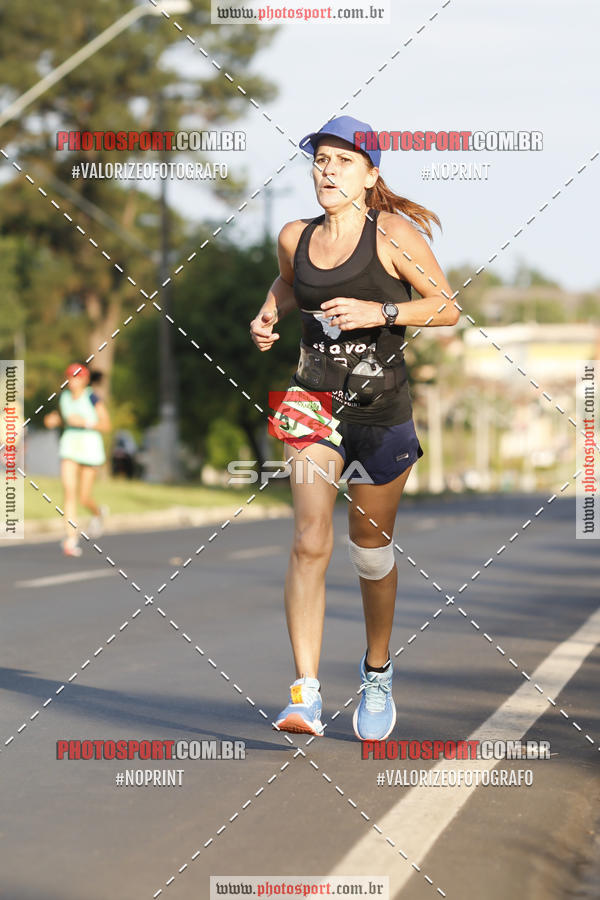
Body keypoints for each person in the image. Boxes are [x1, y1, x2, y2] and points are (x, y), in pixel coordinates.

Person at [250, 115, 459, 741]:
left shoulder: (394, 235)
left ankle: (375, 669)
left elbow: (447, 307)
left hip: (381, 409)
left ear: (371, 176)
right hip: (311, 400)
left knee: (369, 553)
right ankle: (305, 693)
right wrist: (268, 313)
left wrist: (382, 309)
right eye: (320, 160)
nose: (327, 170)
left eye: (343, 161)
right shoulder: (295, 236)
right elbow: (290, 285)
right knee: (309, 541)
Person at [43, 364, 111, 556]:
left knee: (84, 496)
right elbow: (64, 418)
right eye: (70, 377)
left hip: (90, 449)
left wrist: (85, 422)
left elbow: (106, 424)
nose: (73, 381)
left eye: (77, 377)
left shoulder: (92, 397)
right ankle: (71, 539)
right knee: (69, 493)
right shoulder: (64, 397)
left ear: (85, 380)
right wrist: (53, 420)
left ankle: (98, 512)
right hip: (69, 447)